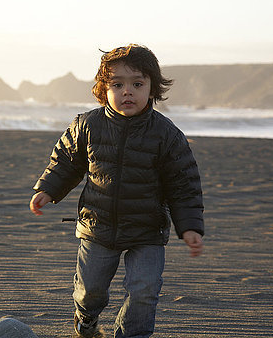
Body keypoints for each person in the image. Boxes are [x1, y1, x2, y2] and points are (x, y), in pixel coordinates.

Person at [29, 44, 204, 338]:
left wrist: (189, 227)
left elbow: (183, 185)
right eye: (118, 84)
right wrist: (48, 188)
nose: (128, 91)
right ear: (103, 89)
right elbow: (66, 162)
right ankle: (86, 320)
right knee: (90, 291)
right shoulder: (87, 125)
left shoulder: (166, 134)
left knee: (144, 291)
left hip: (147, 230)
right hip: (98, 226)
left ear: (152, 88)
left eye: (138, 84)